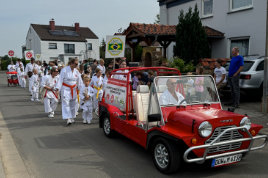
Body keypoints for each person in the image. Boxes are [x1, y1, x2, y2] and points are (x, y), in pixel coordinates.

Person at [55, 58, 83, 125]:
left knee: (73, 103)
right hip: (66, 89)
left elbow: (79, 82)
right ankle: (68, 118)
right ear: (71, 63)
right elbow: (60, 80)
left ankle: (72, 117)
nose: (76, 65)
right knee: (66, 103)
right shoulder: (64, 70)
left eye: (77, 64)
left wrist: (81, 89)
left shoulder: (76, 71)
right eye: (75, 64)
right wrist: (57, 89)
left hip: (73, 89)